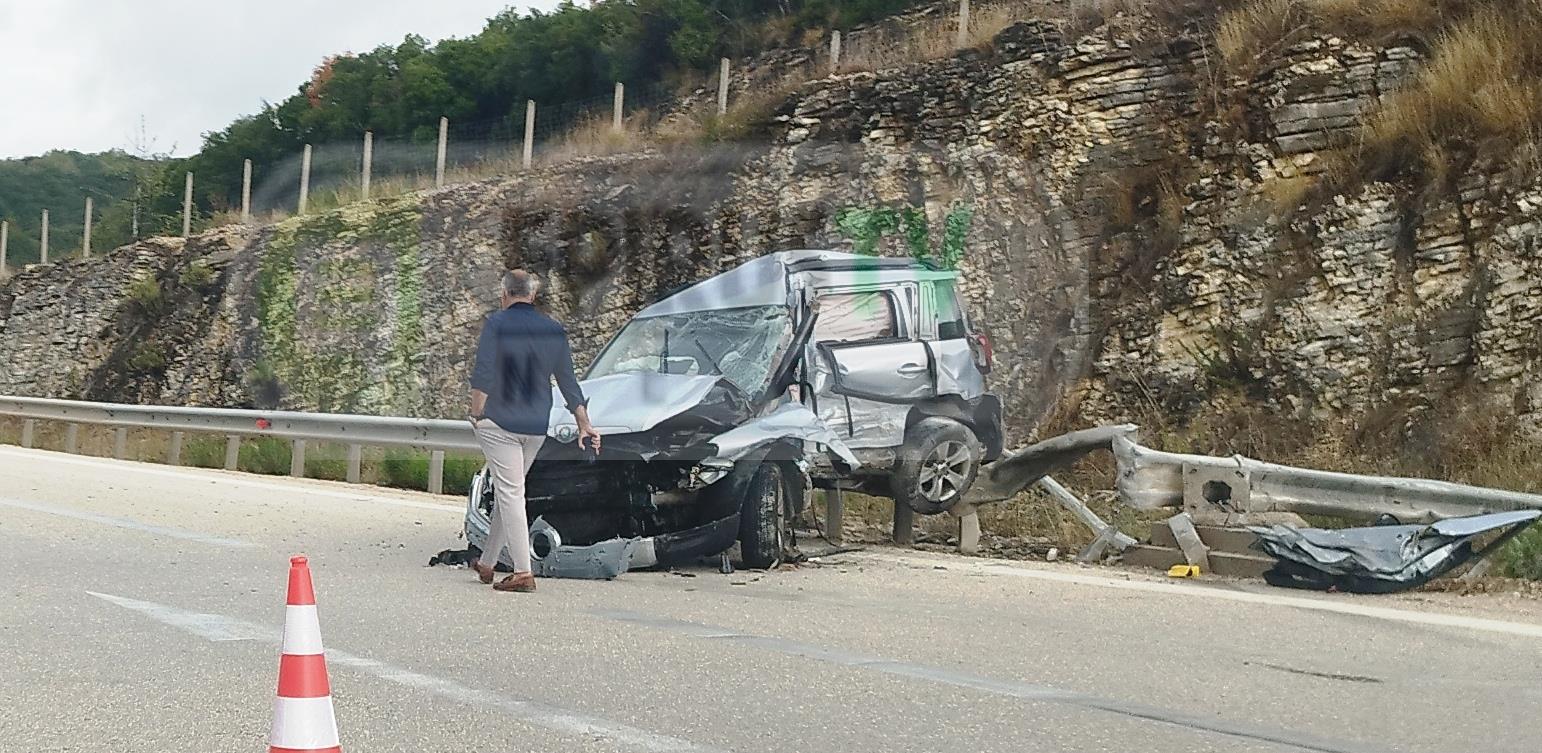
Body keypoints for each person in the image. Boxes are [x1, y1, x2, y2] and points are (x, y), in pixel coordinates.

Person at [466, 270, 600, 593]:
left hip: (500, 422)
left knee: (511, 492)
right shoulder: (553, 330)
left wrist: (476, 412)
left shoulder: (497, 324)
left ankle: (523, 572)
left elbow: (483, 372)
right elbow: (567, 381)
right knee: (509, 490)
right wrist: (584, 423)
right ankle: (488, 563)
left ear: (504, 294)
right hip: (537, 425)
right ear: (533, 295)